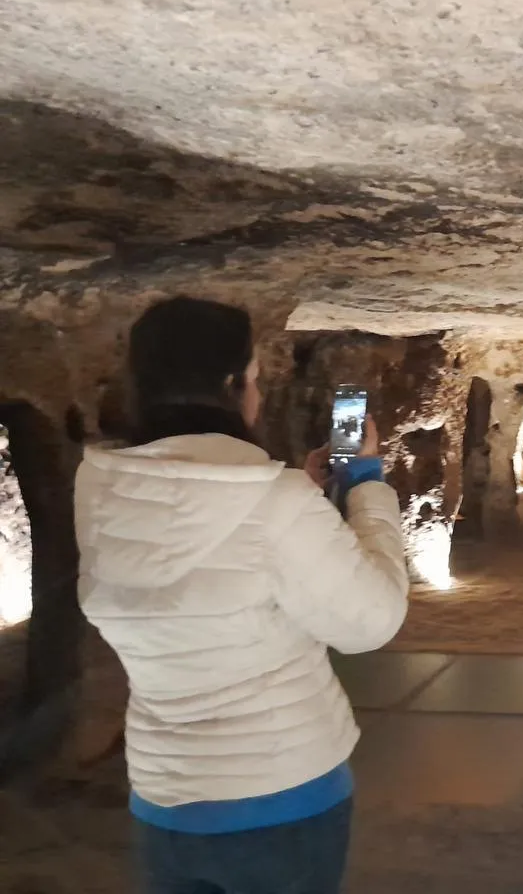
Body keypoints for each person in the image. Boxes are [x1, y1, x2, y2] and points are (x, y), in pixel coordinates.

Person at [75, 296, 409, 894]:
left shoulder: (99, 491)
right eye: (254, 378)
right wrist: (365, 487)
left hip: (163, 797)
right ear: (234, 385)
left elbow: (190, 529)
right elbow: (370, 622)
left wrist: (296, 495)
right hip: (280, 793)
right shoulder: (272, 503)